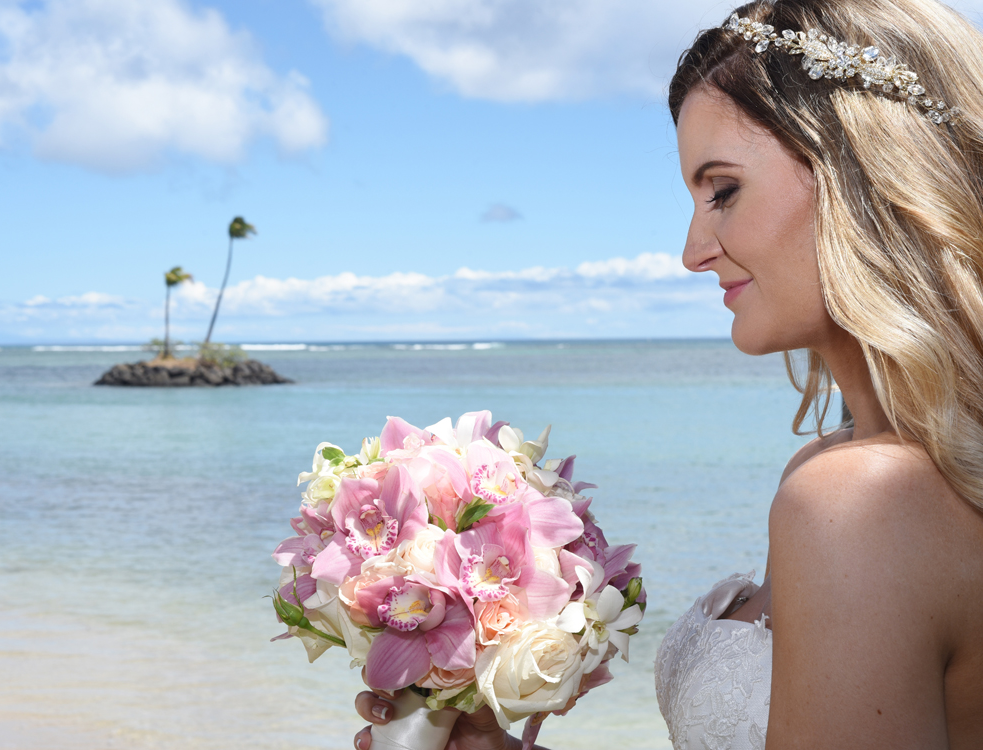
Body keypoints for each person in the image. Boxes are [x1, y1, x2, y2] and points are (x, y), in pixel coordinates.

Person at [354, 0, 983, 747]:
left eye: (722, 191)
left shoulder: (858, 500)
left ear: (861, 171)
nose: (693, 250)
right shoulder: (846, 468)